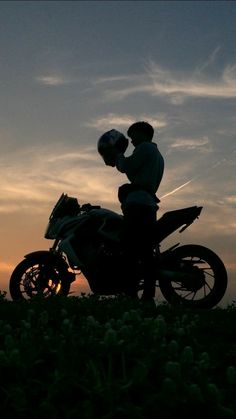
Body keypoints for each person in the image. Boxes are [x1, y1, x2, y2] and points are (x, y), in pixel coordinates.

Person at [99, 121, 164, 301]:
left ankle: (131, 294)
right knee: (144, 251)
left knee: (130, 250)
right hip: (148, 205)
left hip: (138, 205)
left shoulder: (144, 148)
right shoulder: (157, 154)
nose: (132, 141)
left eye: (133, 135)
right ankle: (147, 295)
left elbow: (128, 166)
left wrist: (118, 156)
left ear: (143, 134)